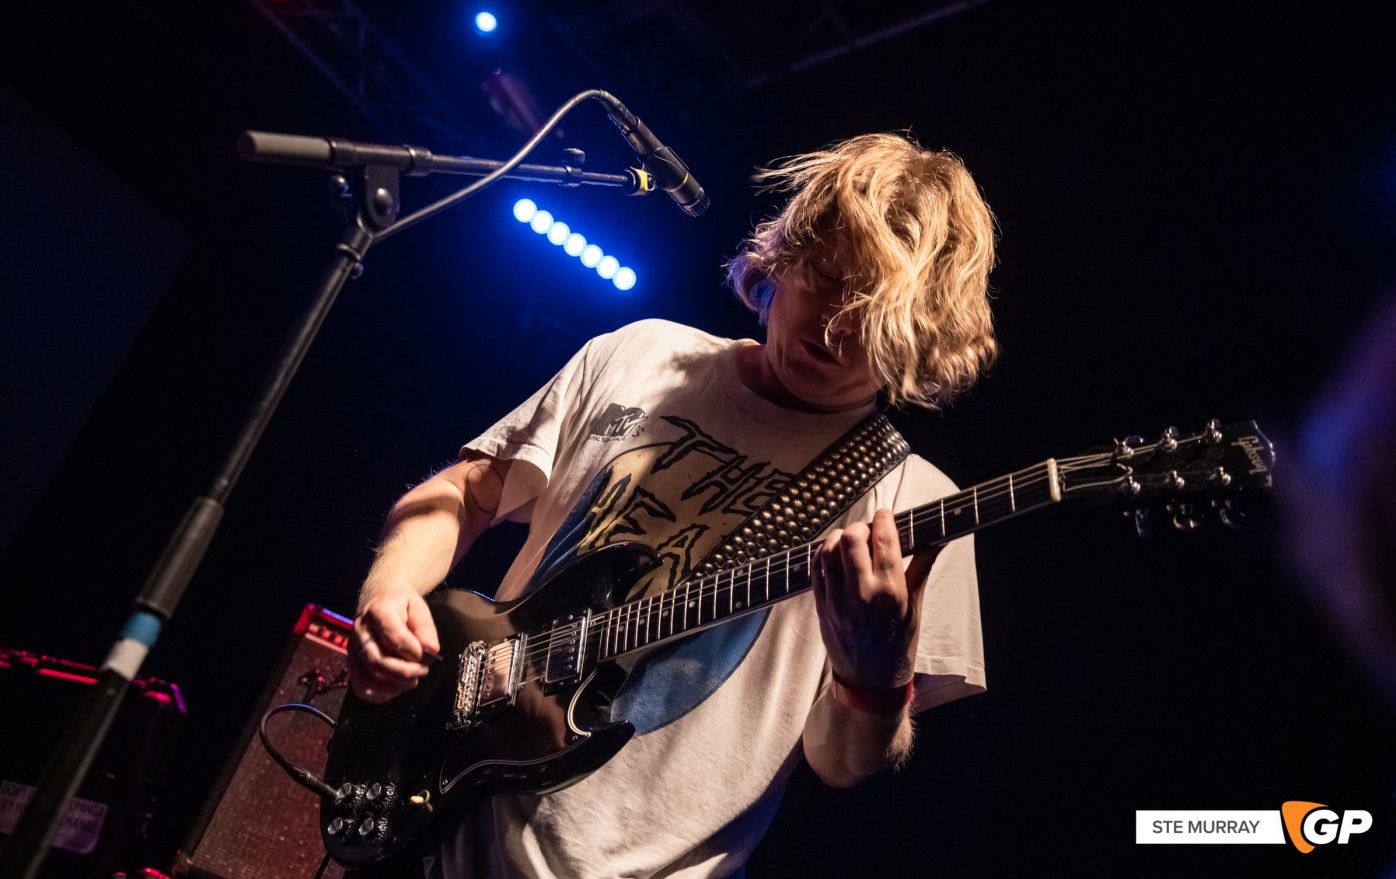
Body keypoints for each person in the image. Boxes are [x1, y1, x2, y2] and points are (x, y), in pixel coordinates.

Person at [348, 133, 1000, 877]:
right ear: (787, 255)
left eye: (873, 306)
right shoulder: (643, 355)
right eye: (826, 276)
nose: (837, 322)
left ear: (921, 329)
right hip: (439, 824)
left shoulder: (912, 502)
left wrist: (874, 676)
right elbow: (463, 494)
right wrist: (391, 591)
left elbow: (840, 763)